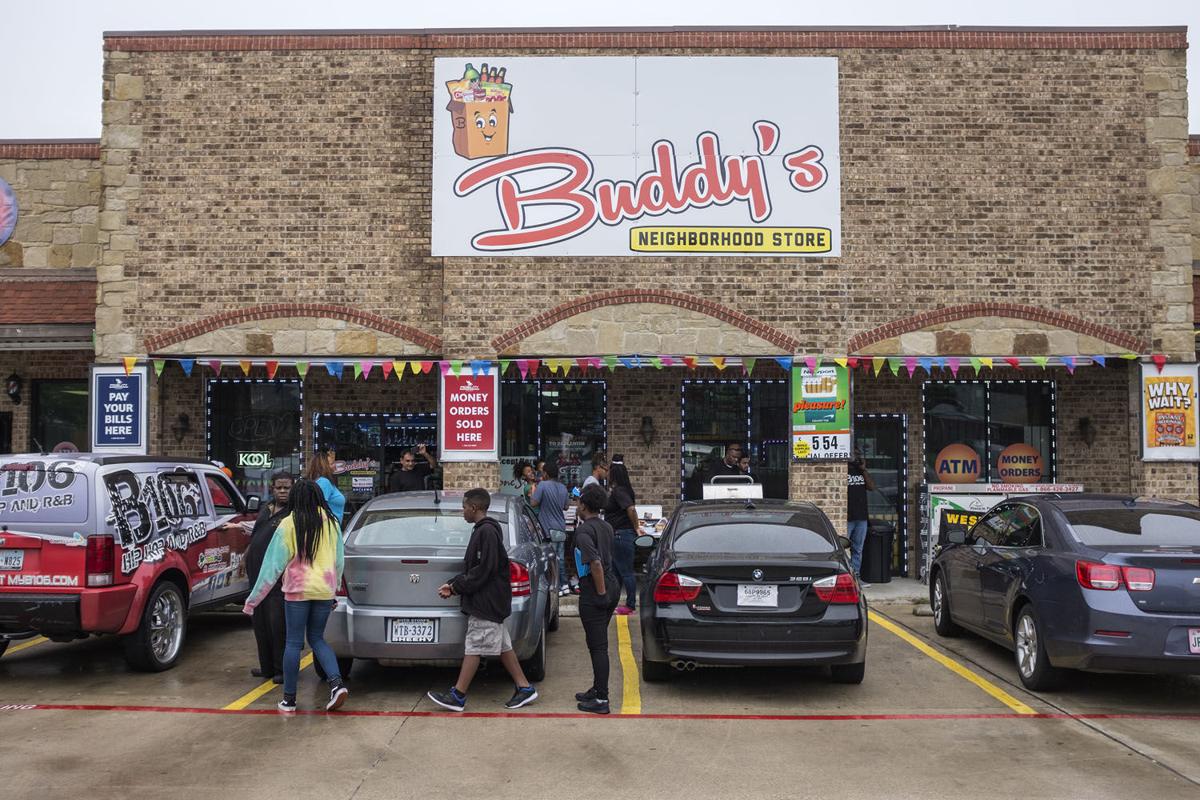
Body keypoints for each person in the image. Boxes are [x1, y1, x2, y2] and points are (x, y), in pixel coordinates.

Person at [427, 488, 539, 712]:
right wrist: (455, 583)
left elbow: (484, 570)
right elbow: (479, 568)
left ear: (474, 508)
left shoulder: (486, 532)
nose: (463, 512)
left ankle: (458, 695)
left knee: (474, 645)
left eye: (464, 507)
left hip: (486, 602)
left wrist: (456, 586)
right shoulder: (485, 530)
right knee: (503, 645)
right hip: (490, 600)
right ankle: (524, 688)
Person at [243, 479, 348, 713]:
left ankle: (289, 701)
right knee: (318, 639)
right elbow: (339, 560)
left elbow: (272, 567)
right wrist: (334, 591)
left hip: (297, 591)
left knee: (292, 643)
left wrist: (252, 602)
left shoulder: (288, 524)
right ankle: (337, 684)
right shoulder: (331, 522)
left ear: (295, 498)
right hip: (323, 589)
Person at [573, 483, 618, 714]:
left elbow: (596, 563)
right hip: (612, 585)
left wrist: (599, 594)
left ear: (583, 504)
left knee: (598, 646)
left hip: (596, 588)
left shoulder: (583, 531)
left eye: (578, 501)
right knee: (595, 643)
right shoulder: (606, 526)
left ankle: (602, 699)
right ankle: (597, 688)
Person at [245, 471, 292, 683]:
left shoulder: (293, 513)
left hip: (277, 575)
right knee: (259, 620)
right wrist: (245, 556)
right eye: (279, 487)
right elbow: (256, 535)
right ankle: (266, 667)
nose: (282, 491)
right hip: (256, 572)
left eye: (287, 488)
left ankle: (280, 669)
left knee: (277, 623)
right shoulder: (266, 508)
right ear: (272, 488)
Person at [602, 455, 640, 616]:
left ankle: (630, 605)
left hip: (621, 535)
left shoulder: (619, 491)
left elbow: (630, 509)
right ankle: (613, 602)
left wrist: (637, 527)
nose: (607, 473)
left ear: (615, 473)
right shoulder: (620, 490)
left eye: (610, 470)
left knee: (626, 572)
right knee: (616, 572)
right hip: (618, 535)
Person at [530, 461, 570, 596]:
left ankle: (556, 586)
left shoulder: (542, 485)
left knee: (551, 559)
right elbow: (566, 507)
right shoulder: (563, 487)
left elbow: (533, 503)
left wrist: (534, 491)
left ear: (545, 473)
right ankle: (565, 585)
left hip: (548, 529)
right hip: (561, 527)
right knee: (561, 558)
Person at [847, 448, 876, 587]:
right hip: (847, 517)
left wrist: (863, 469)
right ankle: (846, 577)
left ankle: (856, 578)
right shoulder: (843, 469)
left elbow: (872, 487)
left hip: (861, 517)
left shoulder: (861, 471)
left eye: (858, 455)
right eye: (854, 454)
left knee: (858, 549)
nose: (856, 457)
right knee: (844, 549)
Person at [305, 446, 345, 525]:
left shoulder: (325, 482)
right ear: (323, 466)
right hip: (327, 531)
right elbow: (318, 509)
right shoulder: (324, 482)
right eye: (332, 464)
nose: (335, 466)